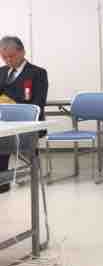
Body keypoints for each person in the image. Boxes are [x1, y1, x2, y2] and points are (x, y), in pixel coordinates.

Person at [0, 36, 49, 194]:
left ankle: (3, 180)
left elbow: (38, 105)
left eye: (11, 56)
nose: (8, 60)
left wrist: (13, 105)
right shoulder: (1, 72)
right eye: (4, 57)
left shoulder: (38, 73)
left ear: (22, 52)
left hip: (29, 126)